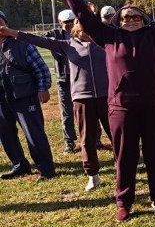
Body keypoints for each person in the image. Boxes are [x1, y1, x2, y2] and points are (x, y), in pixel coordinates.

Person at [58, 0, 155, 221]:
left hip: (153, 106)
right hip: (121, 108)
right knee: (124, 158)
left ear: (144, 19)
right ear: (119, 20)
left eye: (136, 16)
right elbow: (85, 17)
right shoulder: (109, 37)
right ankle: (124, 202)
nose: (131, 21)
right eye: (126, 17)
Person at [2, 18, 111, 190]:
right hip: (82, 99)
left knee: (117, 135)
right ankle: (93, 175)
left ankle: (124, 167)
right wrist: (13, 33)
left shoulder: (106, 44)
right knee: (87, 139)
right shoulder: (68, 45)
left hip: (107, 97)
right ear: (75, 30)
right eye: (82, 29)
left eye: (90, 29)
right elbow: (39, 40)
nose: (86, 33)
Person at [0, 9, 56, 181]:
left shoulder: (22, 44)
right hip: (2, 100)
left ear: (6, 23)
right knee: (7, 135)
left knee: (34, 135)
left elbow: (41, 68)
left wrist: (43, 88)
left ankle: (46, 169)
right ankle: (20, 166)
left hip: (25, 97)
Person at [45, 9, 78, 153]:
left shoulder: (81, 32)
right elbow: (39, 39)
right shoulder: (53, 35)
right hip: (63, 79)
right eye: (66, 22)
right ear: (60, 23)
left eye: (71, 21)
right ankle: (69, 143)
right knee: (67, 112)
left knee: (89, 110)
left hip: (81, 78)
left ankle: (95, 140)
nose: (69, 24)